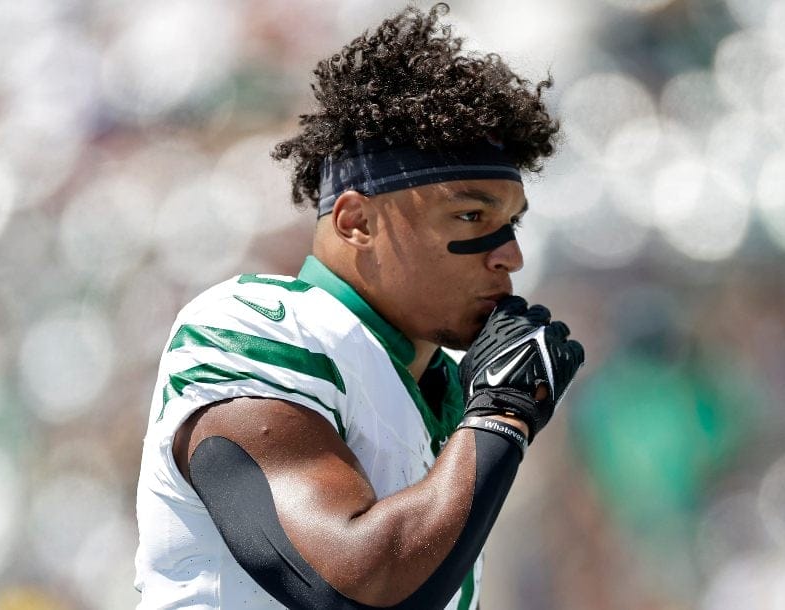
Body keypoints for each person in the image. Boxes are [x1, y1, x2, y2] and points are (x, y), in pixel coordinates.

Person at [133, 4, 585, 609]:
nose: (510, 256)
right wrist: (501, 417)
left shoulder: (447, 390)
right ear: (357, 221)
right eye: (472, 216)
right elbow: (351, 590)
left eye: (511, 224)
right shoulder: (255, 324)